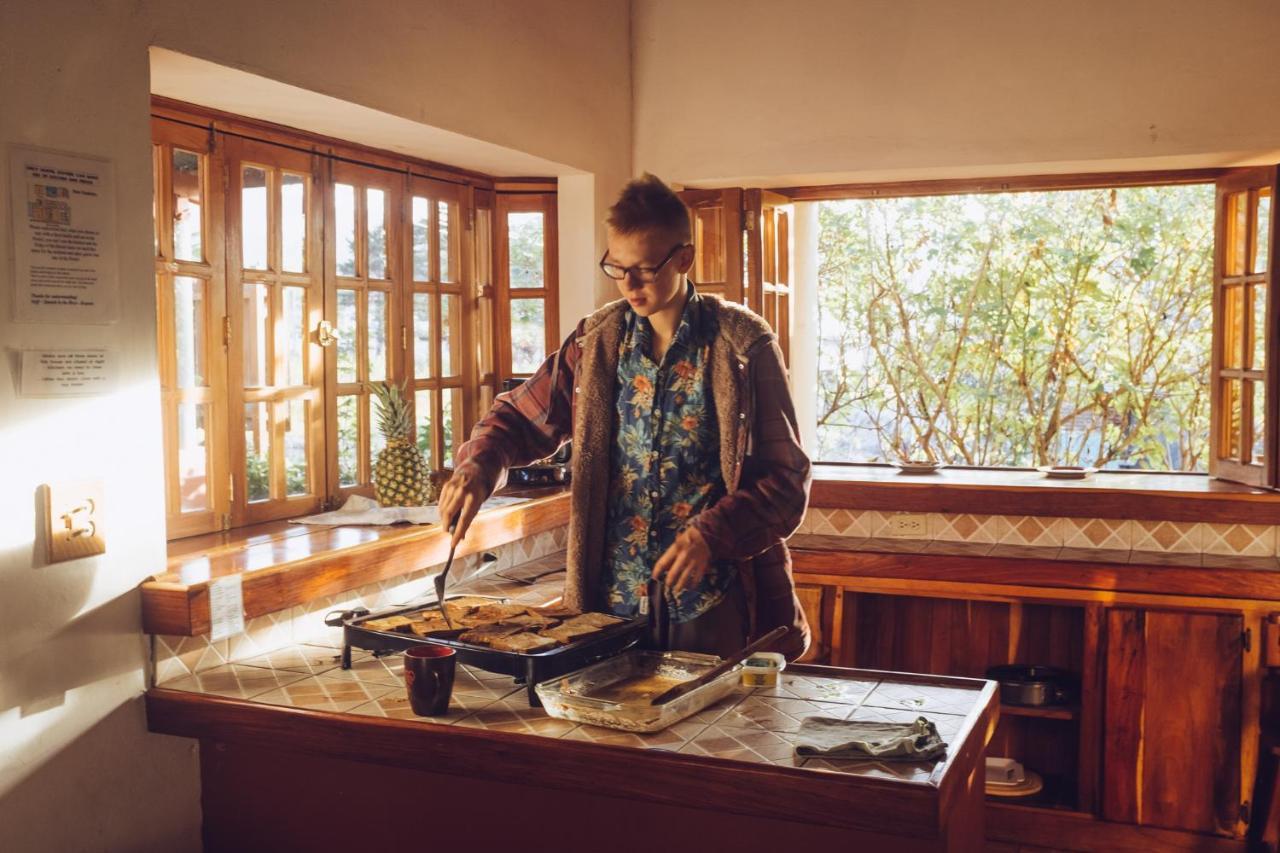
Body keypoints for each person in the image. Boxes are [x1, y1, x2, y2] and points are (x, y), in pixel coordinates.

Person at [439, 173, 811, 659]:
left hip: (711, 600)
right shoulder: (596, 342)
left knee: (708, 732)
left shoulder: (742, 346)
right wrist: (477, 467)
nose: (628, 285)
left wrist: (711, 534)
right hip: (605, 604)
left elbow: (785, 482)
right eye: (617, 267)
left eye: (644, 269)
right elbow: (520, 419)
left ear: (684, 259)